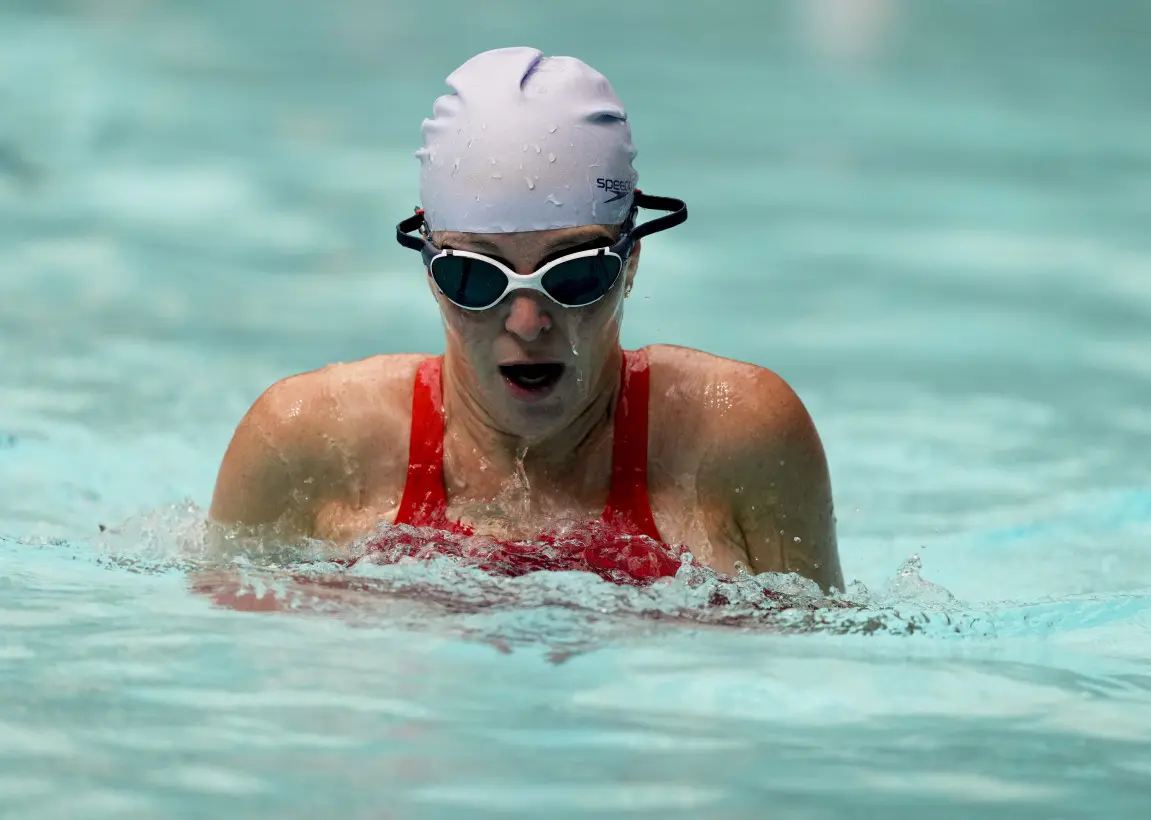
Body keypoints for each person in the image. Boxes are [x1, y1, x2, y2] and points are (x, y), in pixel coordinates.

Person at [208, 47, 843, 591]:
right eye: (476, 278)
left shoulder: (739, 443)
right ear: (430, 275)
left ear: (631, 263)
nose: (529, 321)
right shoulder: (305, 449)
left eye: (574, 273)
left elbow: (812, 683)